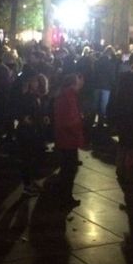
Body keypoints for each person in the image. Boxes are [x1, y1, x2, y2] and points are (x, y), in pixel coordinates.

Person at [53, 73, 84, 210]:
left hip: (64, 138)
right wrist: (79, 127)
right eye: (78, 82)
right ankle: (65, 197)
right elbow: (69, 121)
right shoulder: (69, 97)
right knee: (69, 170)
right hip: (68, 138)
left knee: (67, 169)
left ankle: (63, 195)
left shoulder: (64, 95)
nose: (80, 84)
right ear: (73, 84)